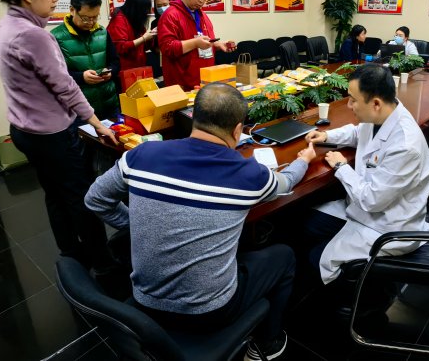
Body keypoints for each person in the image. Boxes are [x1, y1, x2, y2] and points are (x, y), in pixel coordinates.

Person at [84, 82, 316, 361]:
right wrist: (304, 159)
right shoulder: (250, 175)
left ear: (193, 117)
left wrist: (139, 225)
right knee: (284, 256)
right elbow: (287, 182)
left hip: (143, 303)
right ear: (238, 130)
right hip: (210, 312)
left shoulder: (140, 155)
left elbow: (95, 199)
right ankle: (268, 343)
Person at [0, 0, 118, 273]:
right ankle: (104, 264)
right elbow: (66, 87)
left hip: (23, 129)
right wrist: (96, 123)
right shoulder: (35, 35)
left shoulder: (5, 26)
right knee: (81, 196)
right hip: (51, 134)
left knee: (55, 193)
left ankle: (70, 251)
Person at [304, 64, 429, 284]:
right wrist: (327, 136)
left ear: (375, 103)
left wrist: (341, 167)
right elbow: (358, 133)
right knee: (309, 224)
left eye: (353, 100)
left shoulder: (405, 145)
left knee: (316, 260)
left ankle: (366, 297)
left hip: (388, 226)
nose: (349, 105)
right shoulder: (384, 114)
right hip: (368, 210)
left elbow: (372, 200)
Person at [51, 0, 119, 120]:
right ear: (72, 10)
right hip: (78, 109)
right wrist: (81, 77)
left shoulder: (102, 32)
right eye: (86, 18)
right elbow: (55, 75)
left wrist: (110, 72)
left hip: (109, 103)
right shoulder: (56, 37)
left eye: (95, 17)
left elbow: (115, 61)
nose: (91, 23)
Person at [158, 0, 236, 90]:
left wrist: (217, 45)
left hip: (204, 79)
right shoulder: (170, 15)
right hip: (182, 82)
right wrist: (195, 43)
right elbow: (168, 48)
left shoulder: (201, 14)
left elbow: (205, 41)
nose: (201, 1)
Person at [107, 0, 156, 70]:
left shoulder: (134, 19)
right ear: (137, 8)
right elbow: (121, 47)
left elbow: (143, 47)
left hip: (138, 66)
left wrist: (151, 37)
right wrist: (144, 38)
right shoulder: (119, 20)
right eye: (145, 9)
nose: (147, 12)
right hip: (125, 69)